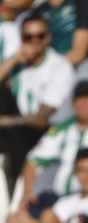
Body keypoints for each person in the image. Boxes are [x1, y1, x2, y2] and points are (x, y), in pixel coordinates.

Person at [0, 12, 73, 184]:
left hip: (45, 132)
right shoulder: (19, 65)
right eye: (28, 37)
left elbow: (41, 118)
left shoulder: (59, 67)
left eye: (40, 36)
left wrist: (5, 121)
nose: (34, 41)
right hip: (17, 130)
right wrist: (13, 59)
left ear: (48, 38)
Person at [24, 79, 88, 202]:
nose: (84, 103)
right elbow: (32, 161)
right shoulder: (63, 128)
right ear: (73, 103)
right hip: (60, 198)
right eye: (80, 99)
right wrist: (27, 193)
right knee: (18, 219)